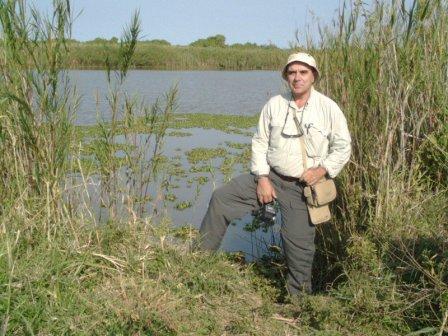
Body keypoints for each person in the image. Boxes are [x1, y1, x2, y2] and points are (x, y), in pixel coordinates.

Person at [198, 52, 351, 295]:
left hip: (303, 188)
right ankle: (196, 265)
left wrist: (322, 170)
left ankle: (299, 301)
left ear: (314, 76)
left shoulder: (328, 108)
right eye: (292, 73)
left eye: (303, 72)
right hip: (272, 178)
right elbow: (259, 141)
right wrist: (262, 178)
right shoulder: (275, 104)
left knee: (298, 246)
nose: (297, 78)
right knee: (222, 198)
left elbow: (343, 148)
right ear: (285, 77)